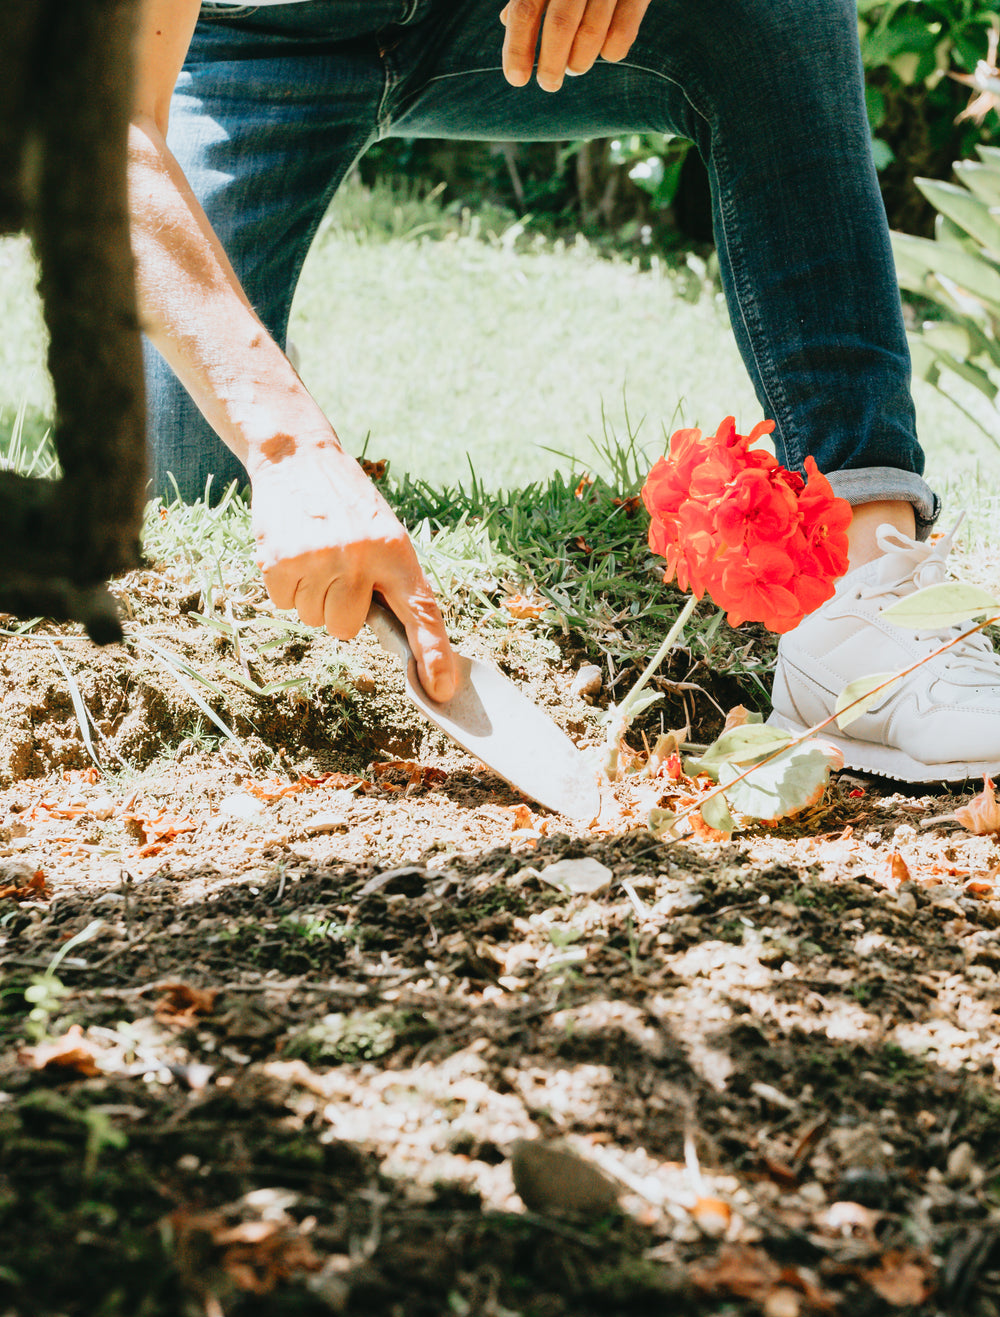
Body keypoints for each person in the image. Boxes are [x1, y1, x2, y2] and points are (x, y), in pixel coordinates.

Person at [132, 0, 1000, 782]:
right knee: (194, 485)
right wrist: (289, 448)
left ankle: (868, 600)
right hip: (244, 45)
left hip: (497, 20)